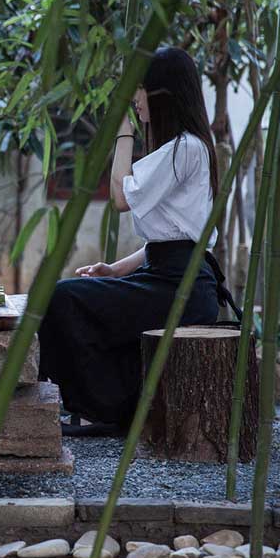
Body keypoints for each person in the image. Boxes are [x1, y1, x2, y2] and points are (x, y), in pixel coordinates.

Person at [38, 46, 238, 437]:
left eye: (141, 89)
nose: (135, 98)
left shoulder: (185, 148)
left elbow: (119, 197)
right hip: (170, 278)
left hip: (179, 287)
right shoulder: (187, 148)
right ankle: (111, 410)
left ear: (163, 93)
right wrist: (116, 270)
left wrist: (123, 131)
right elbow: (170, 238)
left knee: (63, 299)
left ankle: (104, 411)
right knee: (74, 299)